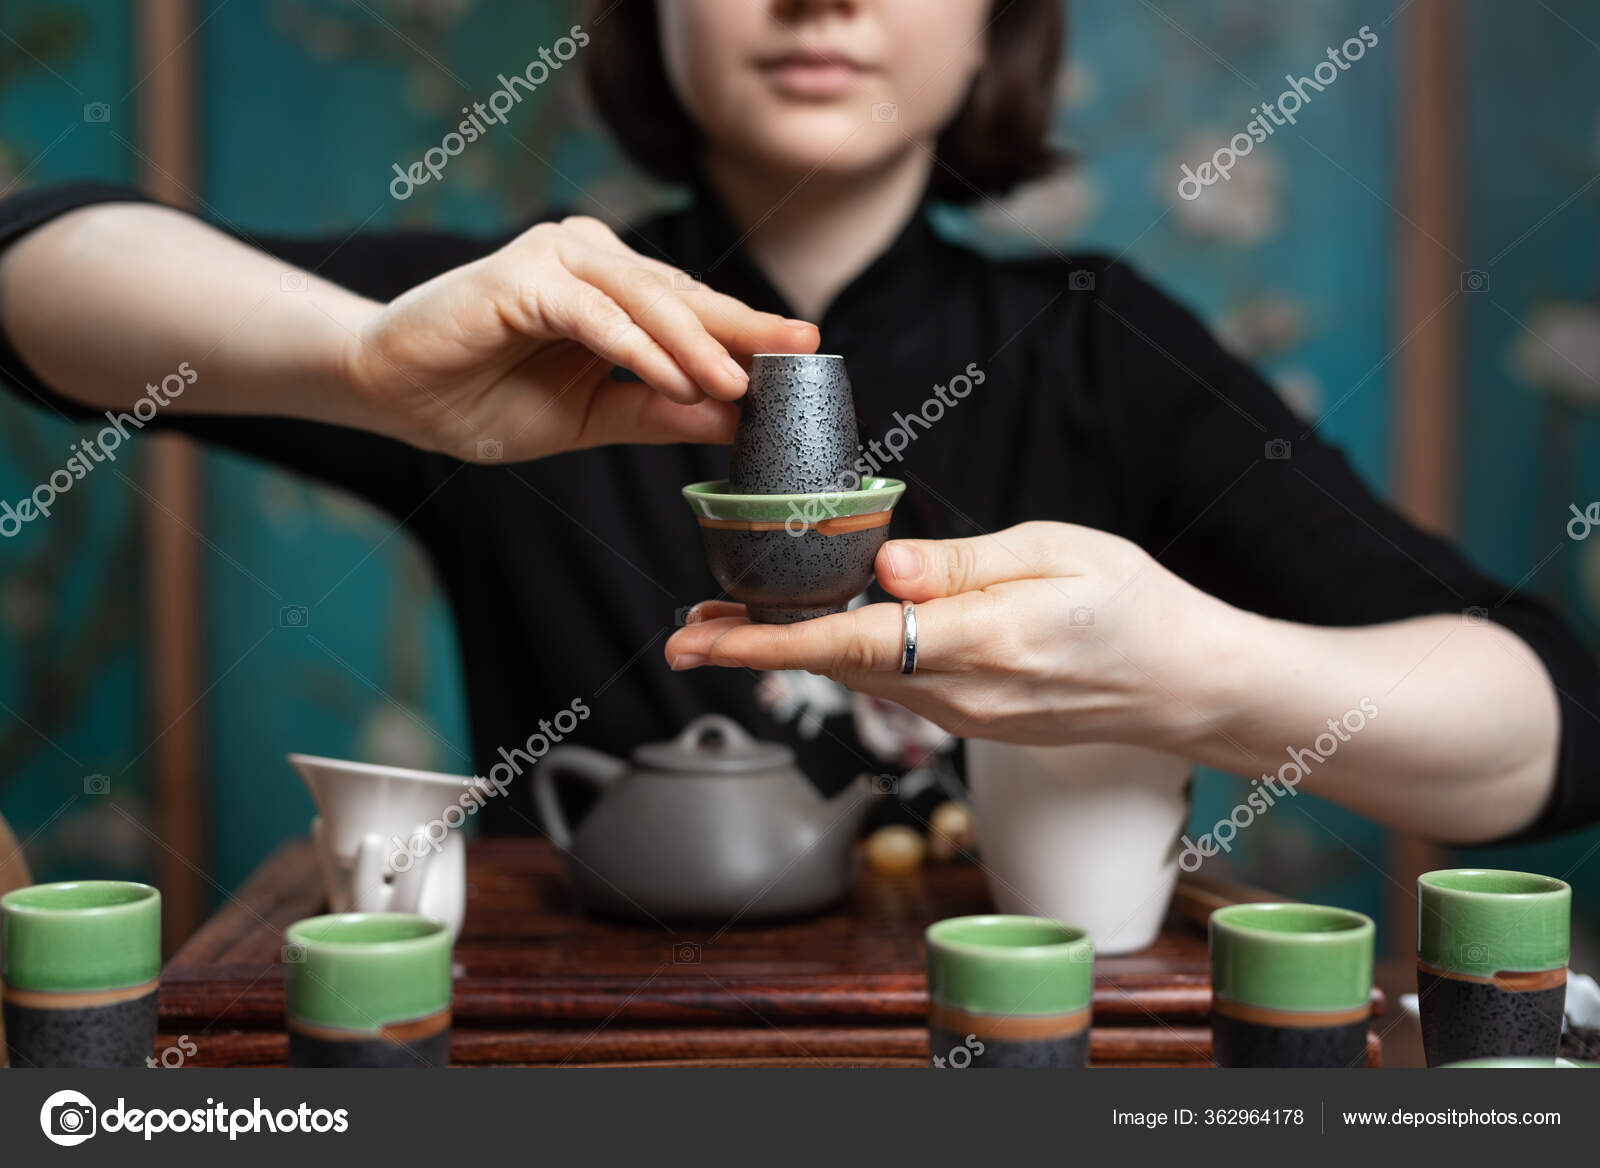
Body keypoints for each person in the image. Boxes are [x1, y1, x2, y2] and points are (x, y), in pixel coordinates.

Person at [0, 0, 1593, 843]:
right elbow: (33, 278)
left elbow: (1551, 727)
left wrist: (1200, 675)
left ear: (995, 21)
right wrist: (361, 361)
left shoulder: (1092, 344)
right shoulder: (533, 314)